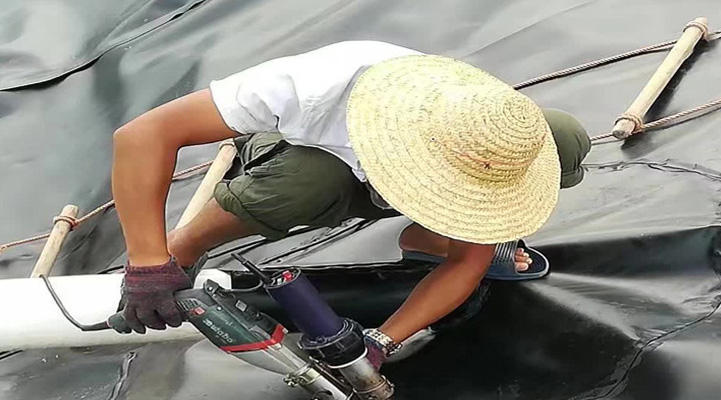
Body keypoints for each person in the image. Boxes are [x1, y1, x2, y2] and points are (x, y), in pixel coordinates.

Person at [109, 40, 590, 365]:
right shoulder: (322, 84)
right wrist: (148, 260)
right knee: (305, 182)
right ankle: (188, 245)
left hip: (421, 164)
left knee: (561, 136)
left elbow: (468, 263)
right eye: (449, 192)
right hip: (308, 158)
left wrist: (381, 342)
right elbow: (143, 135)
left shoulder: (487, 123)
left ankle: (428, 235)